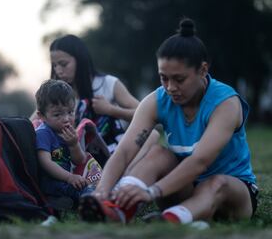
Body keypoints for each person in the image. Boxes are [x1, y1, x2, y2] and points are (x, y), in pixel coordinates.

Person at [78, 18, 258, 225]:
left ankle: (169, 221)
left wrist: (152, 191)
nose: (170, 87)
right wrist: (101, 191)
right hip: (184, 188)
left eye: (179, 79)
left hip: (232, 195)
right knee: (157, 153)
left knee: (216, 182)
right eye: (164, 78)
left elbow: (200, 161)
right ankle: (114, 208)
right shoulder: (157, 100)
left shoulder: (226, 103)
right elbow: (125, 152)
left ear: (203, 70)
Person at [32, 34, 140, 157]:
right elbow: (34, 120)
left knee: (152, 136)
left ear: (80, 60)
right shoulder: (57, 94)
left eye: (63, 64)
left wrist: (111, 110)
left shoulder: (108, 83)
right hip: (72, 159)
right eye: (55, 65)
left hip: (112, 151)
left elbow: (144, 113)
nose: (58, 71)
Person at [35, 79, 98, 205]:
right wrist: (69, 177)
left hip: (65, 182)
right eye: (57, 115)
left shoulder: (68, 132)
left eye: (70, 112)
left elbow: (79, 160)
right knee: (83, 190)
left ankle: (77, 200)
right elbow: (45, 162)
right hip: (50, 184)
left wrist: (74, 145)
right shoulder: (43, 133)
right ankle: (89, 202)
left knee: (89, 186)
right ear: (41, 116)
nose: (66, 119)